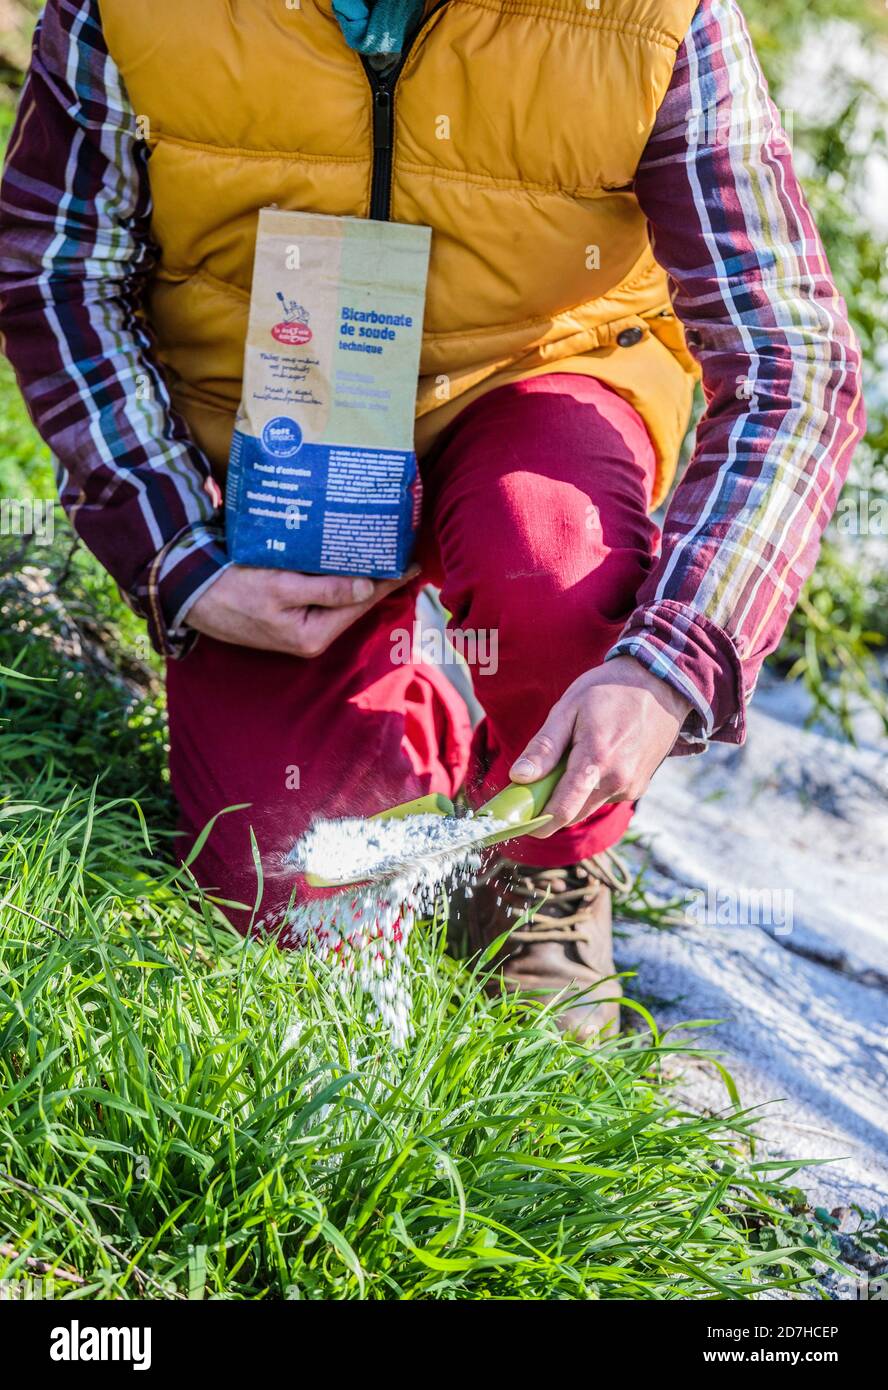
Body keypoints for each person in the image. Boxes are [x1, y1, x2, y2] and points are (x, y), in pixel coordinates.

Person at [0, 0, 864, 1038]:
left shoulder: (654, 16)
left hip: (537, 383)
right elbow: (54, 276)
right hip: (284, 433)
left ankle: (547, 871)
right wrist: (180, 553)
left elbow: (792, 364)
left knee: (547, 557)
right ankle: (428, 726)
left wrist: (670, 665)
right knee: (276, 878)